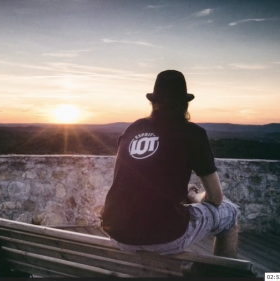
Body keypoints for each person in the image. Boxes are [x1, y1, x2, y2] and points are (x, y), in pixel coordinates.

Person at [101, 70, 238, 258]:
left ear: (153, 102)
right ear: (185, 104)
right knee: (230, 213)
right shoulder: (192, 133)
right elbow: (215, 198)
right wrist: (193, 195)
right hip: (163, 236)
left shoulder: (132, 129)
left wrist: (183, 193)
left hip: (117, 232)